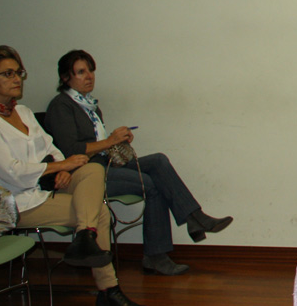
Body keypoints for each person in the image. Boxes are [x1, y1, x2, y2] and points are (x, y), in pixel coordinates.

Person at [0, 45, 147, 306]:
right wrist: (60, 166)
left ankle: (85, 238)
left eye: (19, 72)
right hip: (14, 201)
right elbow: (12, 171)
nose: (17, 79)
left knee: (92, 169)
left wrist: (64, 167)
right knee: (99, 212)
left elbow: (50, 146)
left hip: (45, 185)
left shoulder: (23, 112)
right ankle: (108, 291)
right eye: (8, 74)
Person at [46, 49, 233, 276]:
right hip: (86, 176)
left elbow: (99, 146)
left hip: (105, 165)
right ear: (66, 77)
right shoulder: (61, 106)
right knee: (151, 184)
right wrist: (110, 141)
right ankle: (157, 255)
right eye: (81, 72)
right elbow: (71, 150)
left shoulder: (90, 106)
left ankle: (195, 217)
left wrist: (118, 142)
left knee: (158, 161)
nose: (89, 76)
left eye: (91, 71)